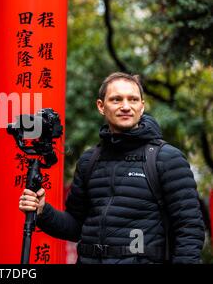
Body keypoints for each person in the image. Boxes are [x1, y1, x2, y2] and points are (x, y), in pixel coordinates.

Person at [19, 72, 205, 264]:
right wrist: (43, 211)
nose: (125, 106)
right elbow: (75, 227)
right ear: (101, 106)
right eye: (116, 99)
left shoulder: (166, 158)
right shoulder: (89, 160)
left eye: (133, 99)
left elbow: (189, 228)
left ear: (142, 106)